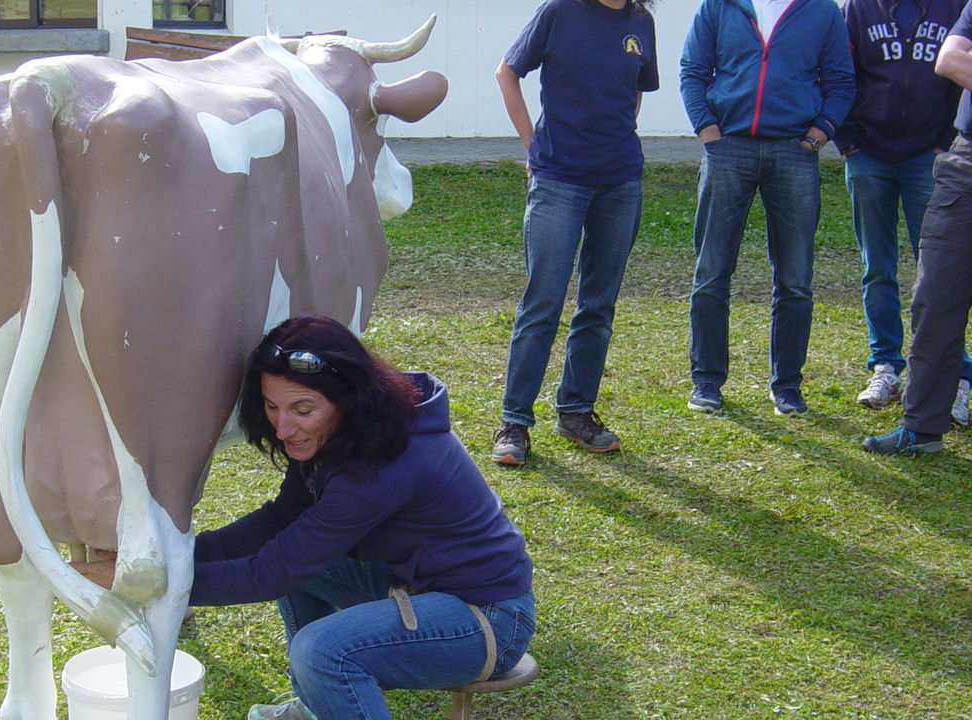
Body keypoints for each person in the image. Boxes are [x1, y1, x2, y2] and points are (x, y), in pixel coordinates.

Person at [79, 316, 536, 720]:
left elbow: (269, 574)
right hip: (417, 586)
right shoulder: (344, 434)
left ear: (349, 399)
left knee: (322, 653)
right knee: (306, 571)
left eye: (302, 410)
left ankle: (324, 691)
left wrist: (142, 581)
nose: (282, 428)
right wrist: (169, 555)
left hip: (486, 619)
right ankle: (318, 708)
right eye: (272, 406)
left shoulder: (381, 470)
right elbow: (280, 522)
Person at [491, 0, 659, 465]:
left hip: (620, 181)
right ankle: (514, 422)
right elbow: (507, 71)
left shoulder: (641, 23)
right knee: (543, 301)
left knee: (598, 305)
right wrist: (532, 144)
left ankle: (576, 412)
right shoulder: (560, 11)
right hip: (559, 179)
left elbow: (635, 91)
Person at [680, 0, 855, 416]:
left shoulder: (822, 10)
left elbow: (842, 81)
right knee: (712, 270)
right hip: (728, 149)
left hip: (793, 152)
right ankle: (706, 380)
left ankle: (788, 385)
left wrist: (818, 135)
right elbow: (693, 70)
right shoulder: (719, 6)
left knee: (795, 277)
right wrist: (707, 129)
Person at [837, 0, 972, 425]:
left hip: (927, 157)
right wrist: (849, 139)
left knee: (940, 275)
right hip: (868, 155)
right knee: (877, 266)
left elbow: (956, 79)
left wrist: (944, 140)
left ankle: (953, 380)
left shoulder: (953, 6)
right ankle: (886, 367)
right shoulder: (858, 7)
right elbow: (841, 70)